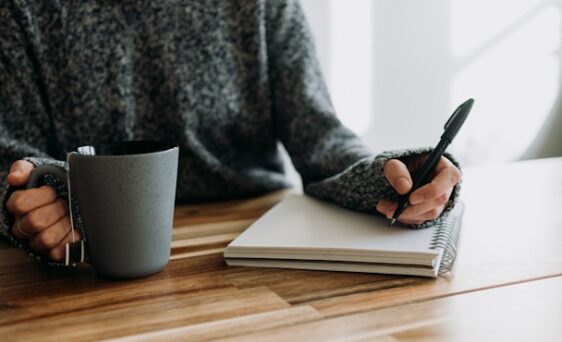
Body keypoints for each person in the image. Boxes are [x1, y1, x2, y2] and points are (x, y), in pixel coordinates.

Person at [0, 0, 461, 265]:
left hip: (256, 246)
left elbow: (323, 143)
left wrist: (395, 176)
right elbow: (10, 157)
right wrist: (28, 206)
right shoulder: (22, 11)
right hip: (89, 260)